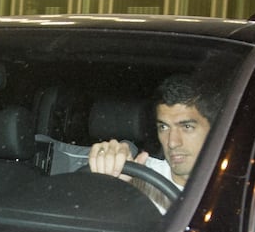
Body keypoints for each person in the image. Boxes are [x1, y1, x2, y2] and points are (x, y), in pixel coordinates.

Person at [88, 73, 223, 209]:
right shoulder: (140, 176)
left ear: (215, 131)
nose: (172, 142)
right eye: (163, 127)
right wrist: (113, 186)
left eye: (187, 127)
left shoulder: (235, 192)